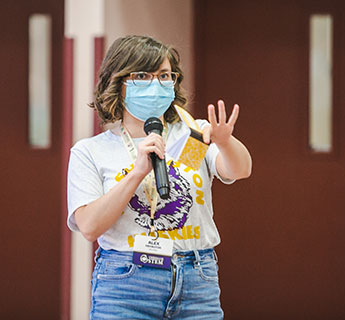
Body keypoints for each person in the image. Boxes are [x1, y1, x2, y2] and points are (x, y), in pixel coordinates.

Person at [67, 35, 252, 320]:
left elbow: (239, 170)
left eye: (164, 76)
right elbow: (90, 227)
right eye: (143, 75)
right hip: (126, 282)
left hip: (195, 277)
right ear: (118, 83)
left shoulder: (193, 134)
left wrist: (225, 142)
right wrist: (138, 172)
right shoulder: (91, 151)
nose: (156, 84)